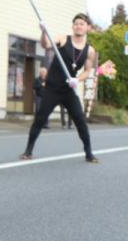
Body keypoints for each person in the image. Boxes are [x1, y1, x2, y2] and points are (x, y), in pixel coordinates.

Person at [22, 13, 98, 163]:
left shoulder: (90, 51)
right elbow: (46, 45)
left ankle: (89, 154)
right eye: (76, 23)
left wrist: (77, 80)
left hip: (68, 89)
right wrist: (43, 31)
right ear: (72, 26)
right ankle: (28, 151)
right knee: (40, 119)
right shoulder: (63, 39)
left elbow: (87, 71)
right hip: (52, 88)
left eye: (82, 24)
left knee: (80, 120)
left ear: (87, 27)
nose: (78, 26)